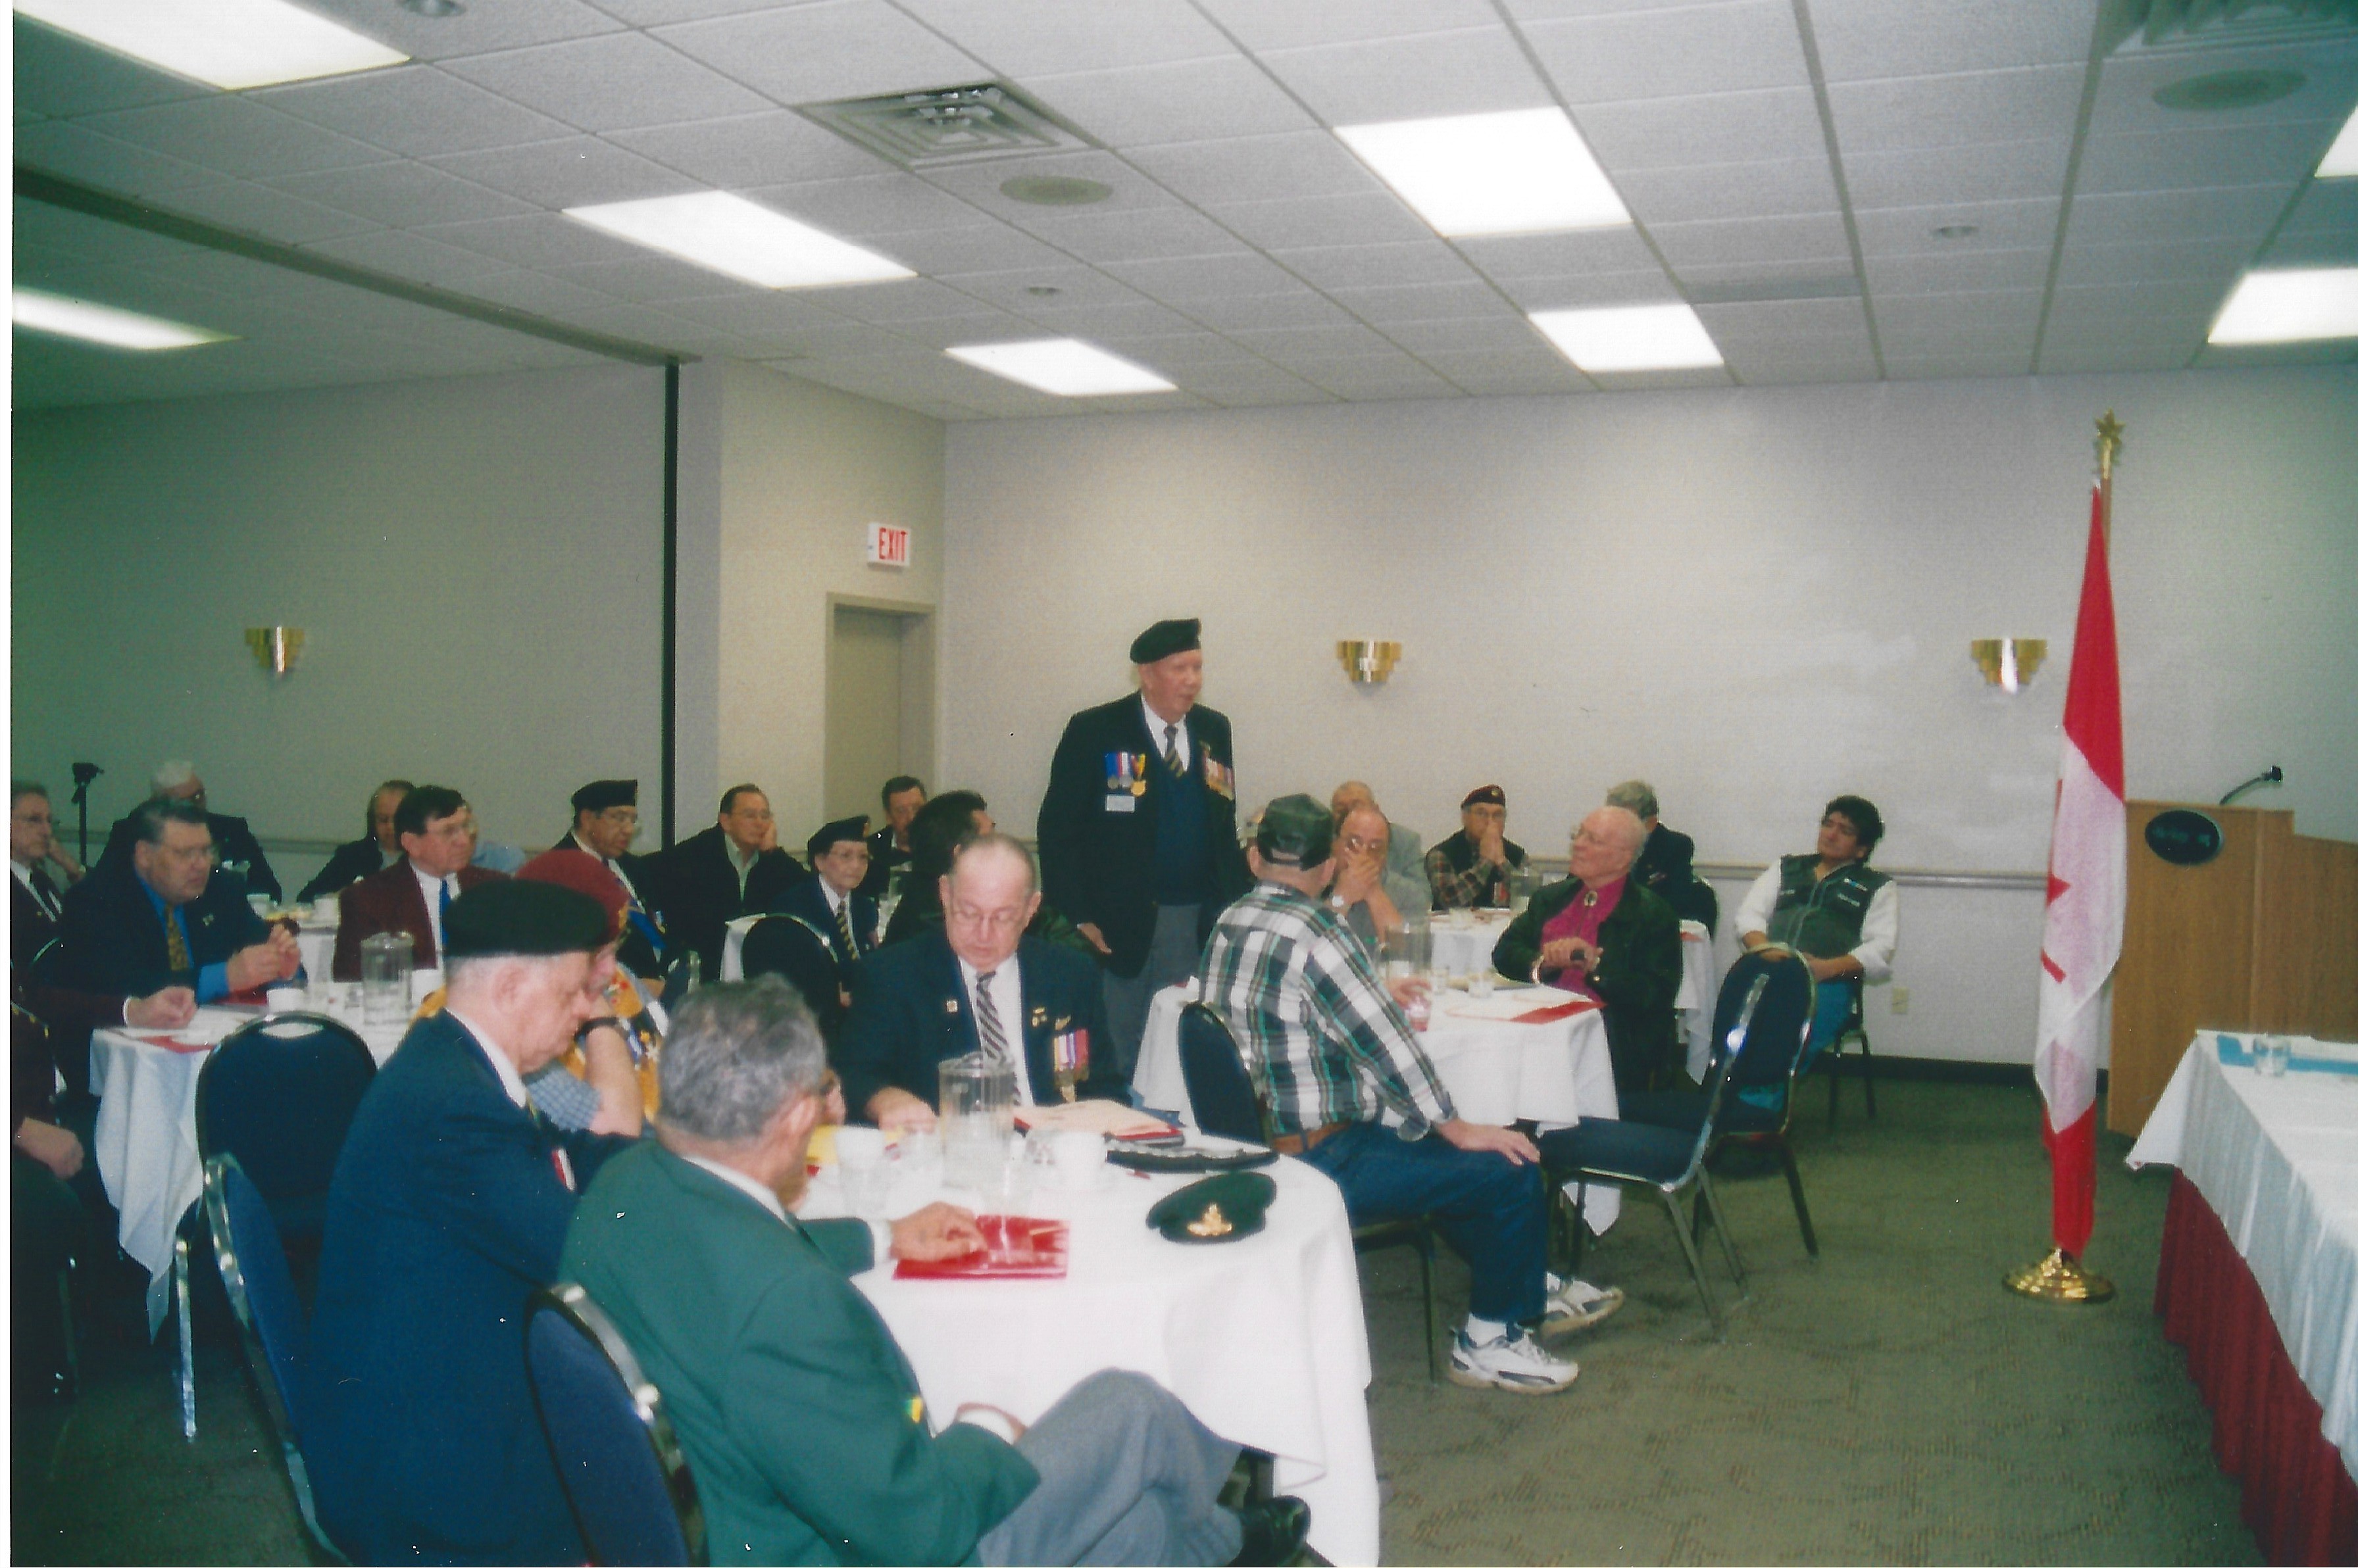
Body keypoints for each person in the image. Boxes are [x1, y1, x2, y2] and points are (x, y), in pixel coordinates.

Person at [560, 977, 1308, 1567]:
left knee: (1138, 1528)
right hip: (876, 1550)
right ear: (794, 1119)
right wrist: (986, 1425)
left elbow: (734, 1253)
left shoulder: (621, 1188)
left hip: (732, 1520)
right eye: (821, 1090)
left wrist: (885, 1235)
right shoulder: (787, 1304)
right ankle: (1228, 1540)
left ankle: (1204, 1543)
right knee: (1131, 1405)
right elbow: (922, 1531)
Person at [1199, 796, 1621, 1394]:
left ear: (1254, 859)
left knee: (1434, 1146)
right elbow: (1390, 1049)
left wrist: (1372, 994)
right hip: (1323, 1159)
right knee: (1508, 1165)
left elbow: (1287, 1005)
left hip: (1258, 1148)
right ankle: (1489, 1341)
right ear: (1329, 866)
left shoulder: (1231, 920)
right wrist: (1456, 1125)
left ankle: (1525, 1286)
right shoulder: (1320, 933)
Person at [307, 879, 633, 1567]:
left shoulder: (465, 1060)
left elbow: (593, 1148)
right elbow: (592, 1257)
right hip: (435, 1475)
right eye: (575, 992)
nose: (587, 1009)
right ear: (512, 987)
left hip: (440, 1388)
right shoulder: (456, 1107)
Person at [1038, 618, 1249, 1078]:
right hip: (1117, 925)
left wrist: (1236, 904)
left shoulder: (1214, 730)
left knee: (1179, 1048)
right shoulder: (1096, 730)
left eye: (1197, 668)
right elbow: (1058, 831)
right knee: (1119, 1048)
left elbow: (1222, 825)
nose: (1192, 680)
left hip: (1196, 920)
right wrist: (1077, 915)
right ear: (1147, 674)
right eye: (1180, 669)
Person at [839, 835, 1122, 1133]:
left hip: (1057, 1145)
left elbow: (1104, 1085)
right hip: (951, 1147)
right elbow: (854, 1074)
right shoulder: (892, 976)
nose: (983, 935)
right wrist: (885, 1099)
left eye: (1003, 918)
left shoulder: (1070, 974)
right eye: (969, 913)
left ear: (1031, 908)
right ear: (945, 893)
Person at [13, 970, 193, 1400]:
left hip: (40, 1110)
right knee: (43, 1207)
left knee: (144, 1139)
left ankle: (152, 1306)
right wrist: (18, 1130)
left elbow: (36, 998)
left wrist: (134, 1010)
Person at [1493, 808, 1685, 1092]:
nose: (1578, 845)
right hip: (1539, 1026)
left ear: (1624, 857)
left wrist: (1595, 969)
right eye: (1579, 834)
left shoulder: (1653, 915)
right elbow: (1504, 953)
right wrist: (1545, 963)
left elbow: (1654, 995)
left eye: (1593, 840)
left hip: (1607, 1043)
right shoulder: (1551, 898)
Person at [52, 797, 300, 1004]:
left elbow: (262, 953)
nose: (201, 865)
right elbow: (122, 987)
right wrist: (224, 977)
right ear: (144, 855)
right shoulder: (96, 900)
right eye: (185, 853)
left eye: (205, 851)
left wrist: (281, 969)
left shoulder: (222, 888)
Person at [1734, 795, 1899, 1071]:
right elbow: (1749, 916)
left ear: (1862, 849)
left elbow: (1880, 947)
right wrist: (1766, 949)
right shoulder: (1786, 868)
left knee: (1786, 1044)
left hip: (1825, 983)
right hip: (1769, 969)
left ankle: (1762, 1093)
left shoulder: (1877, 887)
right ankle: (1733, 1087)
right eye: (1828, 824)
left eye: (1845, 831)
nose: (1831, 835)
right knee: (1736, 1030)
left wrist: (1827, 968)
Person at [509, 851, 661, 1139]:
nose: (611, 969)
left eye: (615, 948)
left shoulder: (615, 976)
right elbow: (613, 1130)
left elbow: (675, 1061)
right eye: (597, 956)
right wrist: (599, 1018)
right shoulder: (514, 1022)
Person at [330, 785, 503, 980]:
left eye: (466, 827)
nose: (464, 841)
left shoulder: (495, 888)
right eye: (448, 832)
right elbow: (351, 979)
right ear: (412, 844)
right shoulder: (368, 899)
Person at [643, 784, 808, 981]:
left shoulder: (772, 861)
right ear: (726, 821)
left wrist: (774, 853)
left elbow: (807, 890)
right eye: (750, 816)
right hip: (704, 968)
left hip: (757, 967)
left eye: (765, 816)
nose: (760, 823)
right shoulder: (694, 856)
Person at [741, 817, 877, 1041]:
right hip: (816, 1020)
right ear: (820, 862)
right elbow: (789, 981)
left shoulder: (865, 907)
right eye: (845, 856)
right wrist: (836, 997)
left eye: (863, 857)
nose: (856, 865)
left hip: (863, 1008)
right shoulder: (794, 907)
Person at [100, 761, 280, 904]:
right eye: (185, 801)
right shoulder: (131, 834)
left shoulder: (232, 830)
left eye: (199, 796)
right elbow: (106, 887)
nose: (196, 806)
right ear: (159, 804)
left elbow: (270, 889)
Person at [550, 779, 670, 989]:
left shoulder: (633, 866)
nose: (628, 830)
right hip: (611, 990)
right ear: (587, 819)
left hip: (660, 982)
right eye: (619, 818)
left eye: (633, 820)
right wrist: (635, 987)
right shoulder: (558, 872)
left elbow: (656, 920)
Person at [1604, 780, 1719, 931]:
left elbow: (1673, 899)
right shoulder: (1601, 845)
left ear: (1650, 822)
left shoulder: (1675, 846)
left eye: (1625, 821)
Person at [1328, 798, 1426, 954]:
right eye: (1353, 844)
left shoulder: (1409, 894)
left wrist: (1373, 891)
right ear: (1335, 844)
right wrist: (1342, 897)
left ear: (1386, 855)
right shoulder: (1315, 882)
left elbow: (1407, 954)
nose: (1363, 856)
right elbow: (1309, 946)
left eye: (1375, 848)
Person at [295, 779, 414, 904]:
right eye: (383, 820)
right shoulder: (352, 856)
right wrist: (339, 898)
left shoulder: (425, 858)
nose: (390, 827)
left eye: (398, 819)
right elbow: (306, 898)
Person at [12, 781, 84, 969]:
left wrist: (70, 866)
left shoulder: (41, 881)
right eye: (34, 820)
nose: (47, 831)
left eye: (49, 821)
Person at [1424, 786, 1526, 910]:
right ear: (1465, 818)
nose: (1490, 821)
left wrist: (1502, 863)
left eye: (1497, 815)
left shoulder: (1517, 854)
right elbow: (1448, 900)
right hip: (1455, 923)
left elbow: (1530, 899)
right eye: (1481, 814)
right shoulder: (1442, 854)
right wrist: (1486, 863)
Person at [857, 774, 926, 900]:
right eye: (901, 811)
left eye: (917, 809)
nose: (911, 818)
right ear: (888, 817)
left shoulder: (944, 846)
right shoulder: (870, 851)